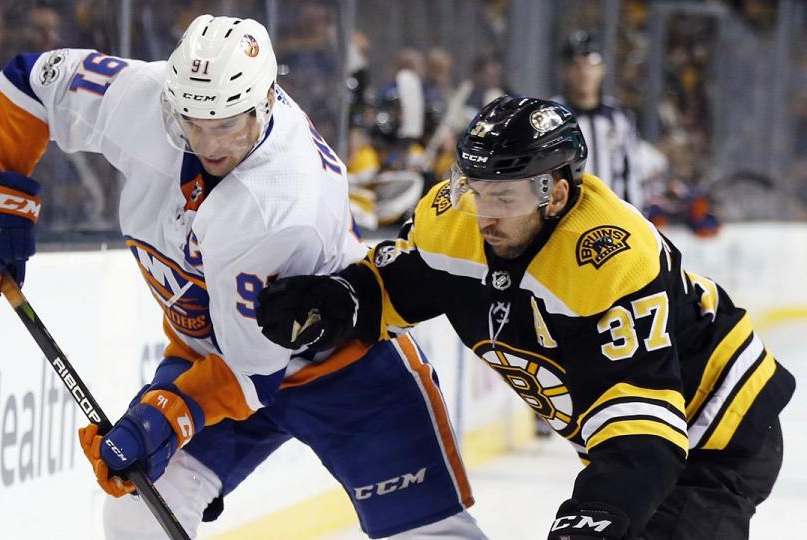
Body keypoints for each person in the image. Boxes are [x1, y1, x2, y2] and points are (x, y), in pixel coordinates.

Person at [0, 15, 486, 540]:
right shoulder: (143, 98)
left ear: (266, 101)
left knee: (430, 534)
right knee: (138, 509)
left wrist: (171, 412)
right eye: (192, 122)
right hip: (218, 350)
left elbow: (258, 372)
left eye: (225, 123)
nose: (209, 143)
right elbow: (29, 84)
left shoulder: (275, 206)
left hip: (345, 365)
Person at [257, 96, 795, 540]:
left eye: (505, 196)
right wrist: (335, 301)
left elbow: (642, 431)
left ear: (555, 194)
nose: (485, 213)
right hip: (635, 442)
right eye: (476, 188)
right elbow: (404, 285)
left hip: (717, 433)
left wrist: (592, 520)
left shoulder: (608, 259)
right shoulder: (460, 220)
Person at [554, 30, 657, 213]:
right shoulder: (552, 115)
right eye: (577, 64)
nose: (584, 72)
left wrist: (635, 217)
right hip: (564, 216)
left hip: (610, 217)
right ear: (565, 70)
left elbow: (631, 172)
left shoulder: (619, 117)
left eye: (591, 63)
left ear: (602, 68)